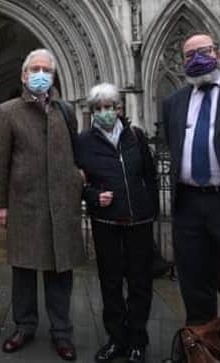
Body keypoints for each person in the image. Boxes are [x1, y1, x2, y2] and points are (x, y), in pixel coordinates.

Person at [163, 32, 220, 358]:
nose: (195, 59)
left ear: (219, 54)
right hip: (189, 205)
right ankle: (201, 349)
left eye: (202, 52)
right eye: (188, 55)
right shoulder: (173, 102)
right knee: (195, 288)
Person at [0, 49, 85, 361]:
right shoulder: (7, 111)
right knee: (24, 270)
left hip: (60, 202)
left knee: (60, 271)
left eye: (46, 69)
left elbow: (76, 151)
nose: (41, 74)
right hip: (24, 203)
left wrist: (78, 179)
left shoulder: (65, 110)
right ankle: (24, 326)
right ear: (23, 75)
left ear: (54, 76)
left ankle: (61, 331)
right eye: (35, 69)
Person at [78, 83, 158, 363]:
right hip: (106, 222)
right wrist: (93, 195)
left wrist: (150, 209)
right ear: (91, 112)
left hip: (139, 221)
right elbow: (79, 182)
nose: (104, 113)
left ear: (119, 108)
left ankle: (137, 339)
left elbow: (151, 177)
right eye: (98, 108)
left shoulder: (135, 136)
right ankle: (116, 339)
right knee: (110, 283)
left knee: (140, 283)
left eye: (109, 107)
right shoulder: (84, 141)